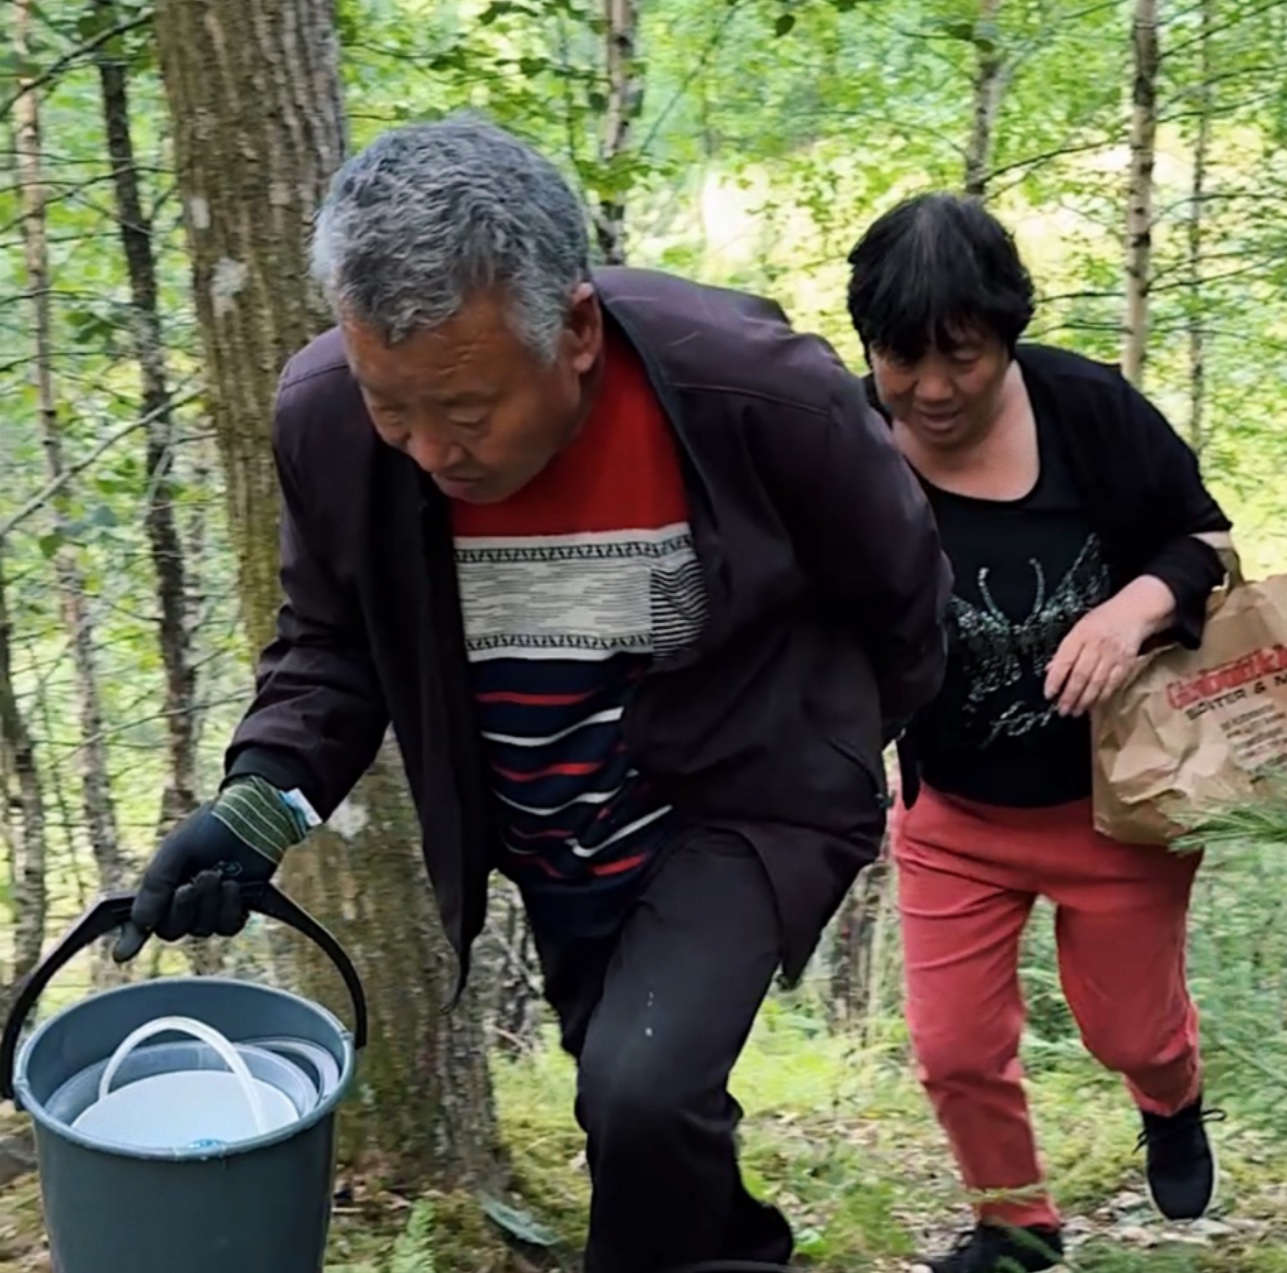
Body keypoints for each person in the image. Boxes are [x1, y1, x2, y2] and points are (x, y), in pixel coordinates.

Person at [111, 116, 952, 1273]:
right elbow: (331, 647)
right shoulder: (325, 423)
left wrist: (830, 758)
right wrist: (255, 814)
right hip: (553, 840)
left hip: (736, 807)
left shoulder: (752, 397)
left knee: (640, 1090)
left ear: (575, 328)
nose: (428, 450)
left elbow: (903, 597)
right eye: (389, 406)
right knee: (637, 1113)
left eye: (465, 410)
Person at [847, 193, 1234, 1273]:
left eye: (959, 357)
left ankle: (1171, 1095)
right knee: (953, 1049)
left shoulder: (1084, 410)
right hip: (950, 811)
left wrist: (1129, 608)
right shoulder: (844, 437)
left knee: (1127, 1030)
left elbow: (1203, 539)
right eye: (900, 357)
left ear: (1004, 335)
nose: (930, 388)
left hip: (1115, 808)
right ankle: (1016, 1227)